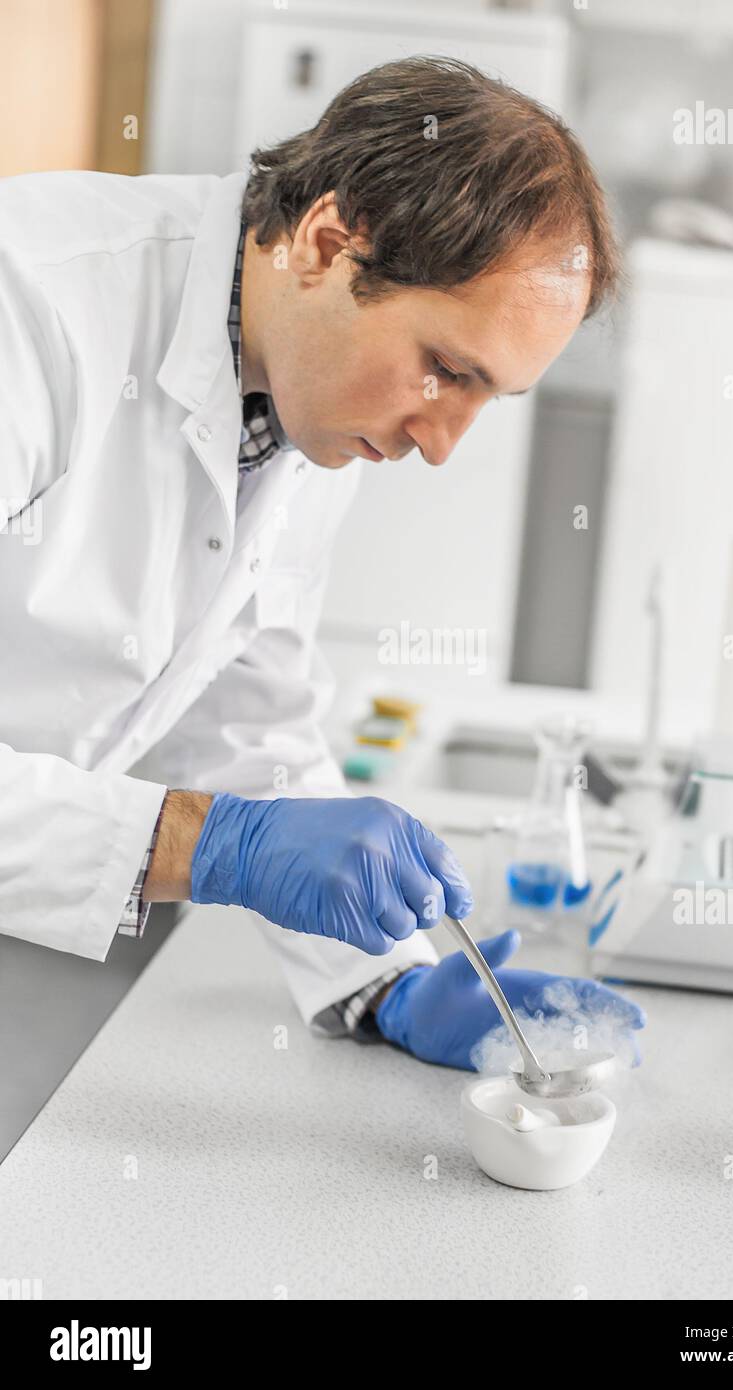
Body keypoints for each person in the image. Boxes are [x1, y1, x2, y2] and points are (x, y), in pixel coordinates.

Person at [0, 56, 644, 1067]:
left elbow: (243, 711)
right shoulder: (30, 304)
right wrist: (213, 846)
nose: (442, 443)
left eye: (486, 396)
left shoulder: (306, 396)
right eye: (446, 369)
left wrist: (385, 976)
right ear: (328, 243)